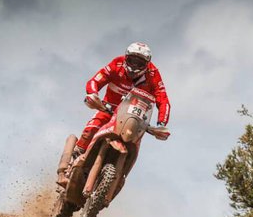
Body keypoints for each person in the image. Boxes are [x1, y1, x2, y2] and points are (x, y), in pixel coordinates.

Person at [57, 42, 171, 185]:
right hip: (108, 110)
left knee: (134, 146)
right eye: (132, 60)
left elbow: (163, 99)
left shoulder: (153, 74)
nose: (134, 66)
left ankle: (120, 177)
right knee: (91, 129)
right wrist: (93, 94)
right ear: (126, 57)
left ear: (147, 64)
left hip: (134, 121)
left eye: (140, 63)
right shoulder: (117, 64)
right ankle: (69, 165)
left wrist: (161, 123)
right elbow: (96, 80)